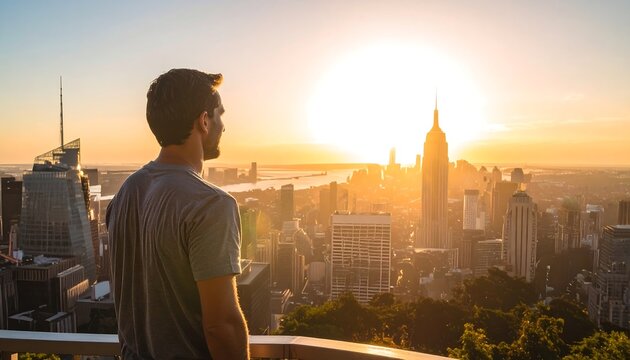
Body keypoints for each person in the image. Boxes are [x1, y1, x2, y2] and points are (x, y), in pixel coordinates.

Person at [106, 68, 249, 360]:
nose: (225, 126)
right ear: (204, 121)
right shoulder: (211, 204)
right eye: (220, 114)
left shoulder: (124, 194)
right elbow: (222, 326)